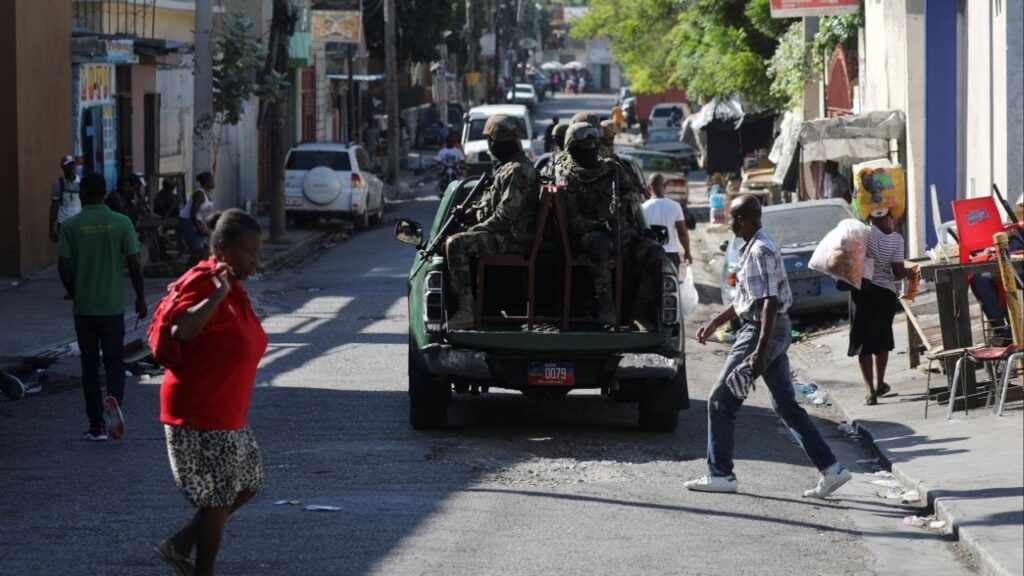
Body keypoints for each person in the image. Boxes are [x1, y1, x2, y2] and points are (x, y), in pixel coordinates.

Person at [688, 194, 851, 497]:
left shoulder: (761, 249)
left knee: (720, 400)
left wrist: (757, 354)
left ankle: (721, 473)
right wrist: (714, 323)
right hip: (769, 329)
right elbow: (743, 301)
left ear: (748, 219)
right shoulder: (750, 247)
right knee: (785, 404)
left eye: (735, 218)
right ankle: (832, 470)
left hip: (764, 330)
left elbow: (768, 304)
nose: (731, 223)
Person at [155, 209, 267, 576]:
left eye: (257, 251)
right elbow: (182, 332)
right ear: (222, 248)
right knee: (218, 498)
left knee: (248, 484)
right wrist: (217, 295)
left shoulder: (234, 287)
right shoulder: (206, 282)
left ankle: (181, 543)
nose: (255, 260)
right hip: (200, 412)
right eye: (249, 252)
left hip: (228, 413)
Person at [57, 173, 147, 442]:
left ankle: (96, 426)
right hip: (112, 307)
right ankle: (114, 400)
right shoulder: (121, 223)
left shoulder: (70, 226)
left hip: (84, 308)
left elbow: (63, 267)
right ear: (105, 192)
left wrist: (74, 291)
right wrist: (141, 297)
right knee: (114, 360)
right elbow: (134, 264)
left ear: (82, 194)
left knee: (89, 365)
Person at [559, 122, 664, 328]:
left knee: (655, 253)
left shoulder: (612, 169)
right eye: (584, 147)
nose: (590, 151)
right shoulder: (569, 178)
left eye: (593, 145)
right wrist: (598, 225)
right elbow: (573, 220)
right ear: (573, 149)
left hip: (624, 233)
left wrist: (623, 202)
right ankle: (606, 306)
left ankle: (639, 310)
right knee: (601, 245)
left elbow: (636, 194)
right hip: (592, 237)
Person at [445, 115, 539, 330]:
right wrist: (470, 215)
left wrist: (475, 229)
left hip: (514, 239)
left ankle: (466, 311)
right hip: (505, 234)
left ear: (503, 143)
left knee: (457, 244)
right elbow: (489, 206)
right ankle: (480, 304)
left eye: (492, 141)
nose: (490, 146)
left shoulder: (518, 170)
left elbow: (505, 216)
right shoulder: (506, 167)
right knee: (455, 236)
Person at [849, 209, 907, 405]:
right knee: (882, 338)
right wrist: (909, 273)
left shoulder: (861, 233)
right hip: (884, 294)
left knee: (863, 341)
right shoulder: (896, 240)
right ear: (889, 218)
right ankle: (881, 383)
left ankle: (870, 391)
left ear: (870, 217)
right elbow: (898, 271)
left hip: (861, 291)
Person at [642, 174, 692, 269]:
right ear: (665, 186)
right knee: (670, 283)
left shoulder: (643, 208)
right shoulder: (675, 206)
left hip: (649, 254)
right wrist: (687, 252)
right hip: (670, 255)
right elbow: (682, 232)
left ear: (648, 188)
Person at [180, 172, 216, 267]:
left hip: (198, 222)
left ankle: (201, 271)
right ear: (206, 181)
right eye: (211, 180)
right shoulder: (199, 194)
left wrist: (203, 227)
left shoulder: (207, 194)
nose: (213, 182)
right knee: (197, 250)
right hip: (188, 221)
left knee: (205, 250)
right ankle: (188, 272)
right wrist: (199, 229)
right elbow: (193, 213)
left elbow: (201, 214)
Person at [49, 155, 81, 244]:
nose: (72, 167)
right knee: (65, 251)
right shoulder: (58, 185)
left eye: (73, 164)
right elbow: (54, 207)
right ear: (63, 168)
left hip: (78, 223)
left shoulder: (81, 183)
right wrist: (51, 228)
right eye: (69, 165)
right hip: (63, 223)